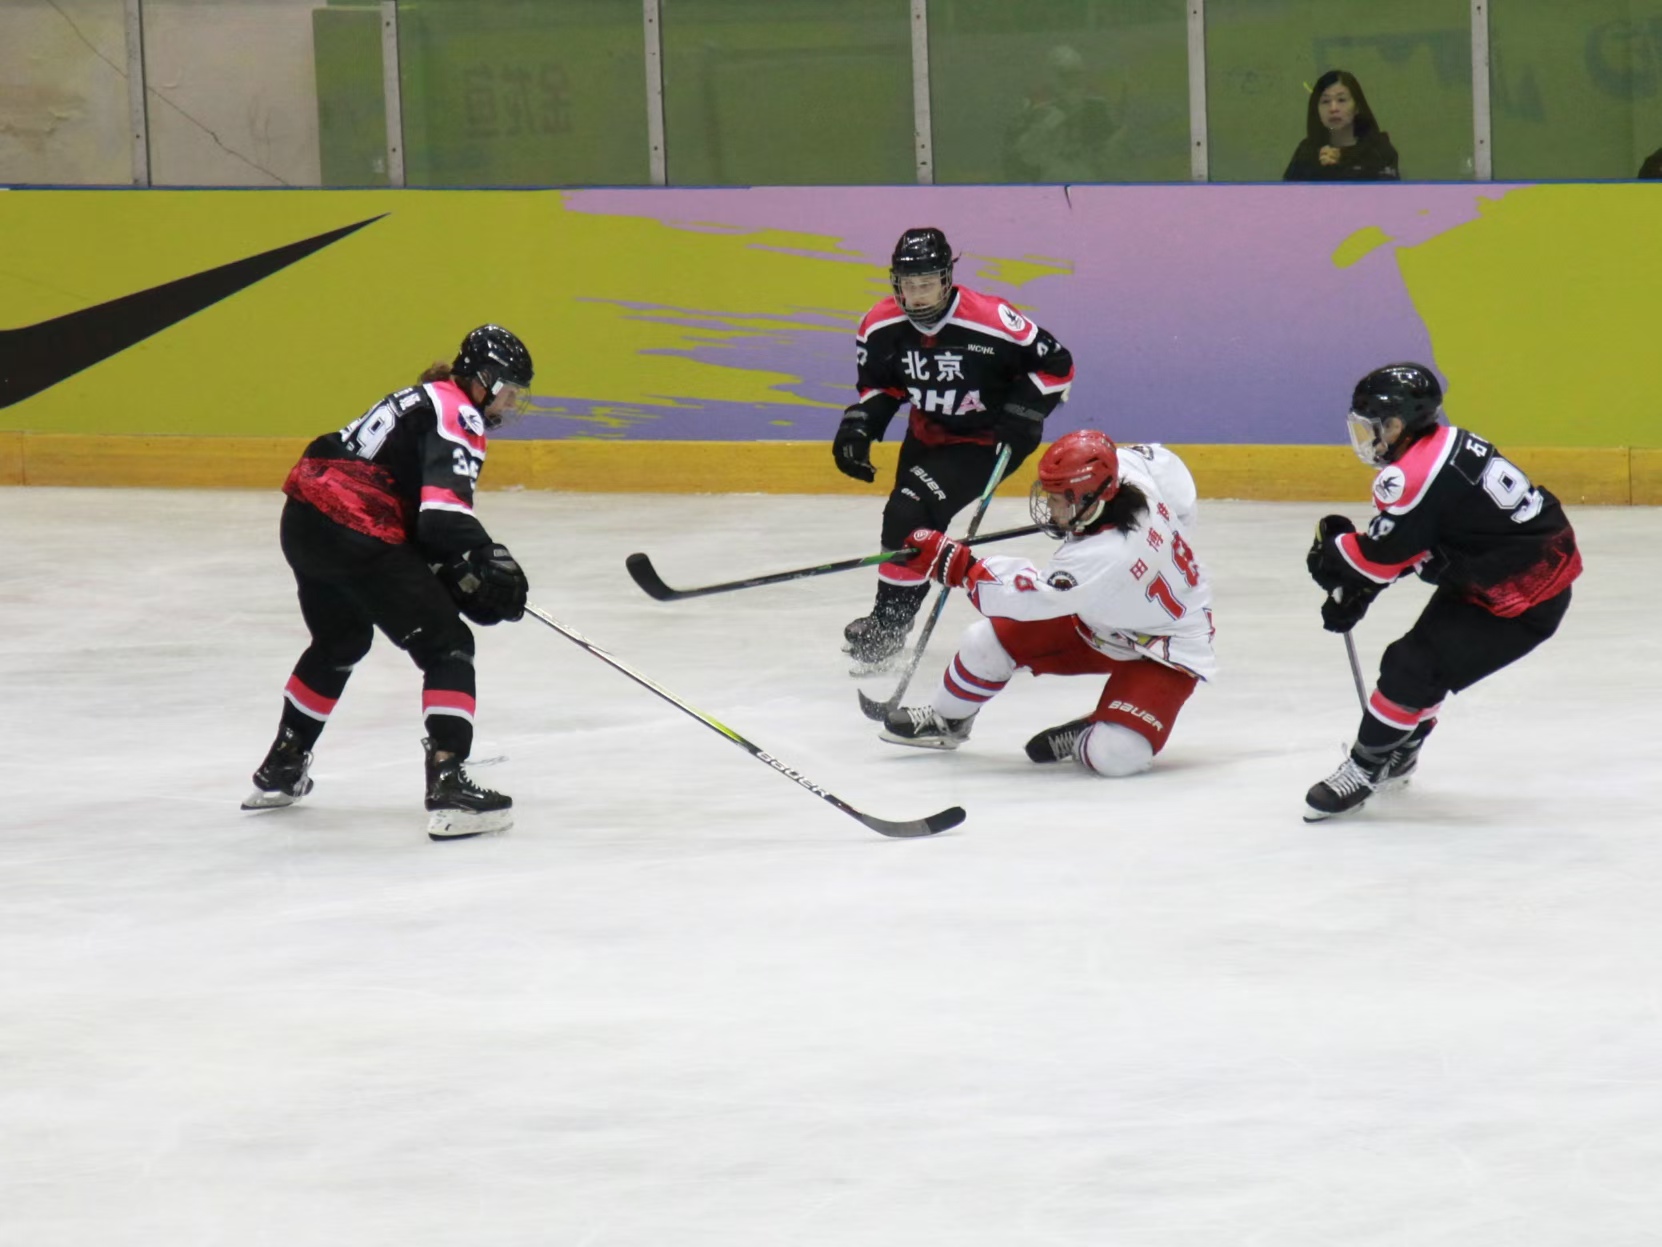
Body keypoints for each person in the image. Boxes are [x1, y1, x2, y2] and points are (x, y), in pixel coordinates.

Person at [243, 325, 535, 841]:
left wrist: (451, 565)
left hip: (305, 521)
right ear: (484, 379)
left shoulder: (424, 397)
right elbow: (440, 519)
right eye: (508, 391)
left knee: (340, 640)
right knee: (448, 645)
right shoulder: (460, 413)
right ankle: (448, 784)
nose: (509, 404)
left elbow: (412, 512)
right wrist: (486, 555)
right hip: (357, 528)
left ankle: (283, 765)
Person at [1303, 362, 1582, 821]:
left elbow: (1379, 557)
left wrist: (1333, 556)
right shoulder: (1450, 442)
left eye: (1378, 425)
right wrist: (1360, 593)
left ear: (1400, 423)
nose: (1371, 437)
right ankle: (1400, 750)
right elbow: (1425, 540)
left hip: (1518, 600)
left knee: (1411, 667)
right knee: (1423, 667)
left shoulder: (1411, 476)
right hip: (1507, 578)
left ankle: (1365, 768)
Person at [877, 431, 1214, 776]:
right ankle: (946, 720)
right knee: (983, 642)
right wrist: (1179, 525)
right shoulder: (1126, 472)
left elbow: (1025, 597)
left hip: (1163, 649)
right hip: (1097, 623)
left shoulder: (1106, 555)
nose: (1048, 507)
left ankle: (1092, 730)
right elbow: (1169, 466)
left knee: (1116, 756)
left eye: (1057, 499)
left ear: (1091, 497)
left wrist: (960, 567)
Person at [833, 226, 1075, 673]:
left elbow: (1057, 365)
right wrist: (860, 426)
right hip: (927, 434)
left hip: (988, 441)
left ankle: (887, 627)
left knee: (907, 511)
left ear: (947, 279)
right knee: (911, 525)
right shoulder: (879, 325)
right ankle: (891, 623)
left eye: (927, 284)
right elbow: (882, 386)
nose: (917, 296)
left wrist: (1024, 411)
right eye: (908, 285)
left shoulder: (992, 319)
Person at [1003, 45, 1120, 183]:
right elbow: (1020, 151)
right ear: (1053, 76)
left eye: (1077, 74)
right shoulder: (1037, 105)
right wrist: (1050, 122)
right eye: (1066, 75)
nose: (1073, 81)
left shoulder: (1096, 104)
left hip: (1087, 172)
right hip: (1049, 174)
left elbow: (1109, 145)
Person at [1282, 69, 1400, 182]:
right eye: (1325, 101)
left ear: (1357, 107)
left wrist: (1342, 164)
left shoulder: (1378, 149)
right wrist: (1320, 169)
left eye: (1341, 100)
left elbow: (1388, 192)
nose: (1333, 108)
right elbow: (1289, 192)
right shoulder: (1307, 152)